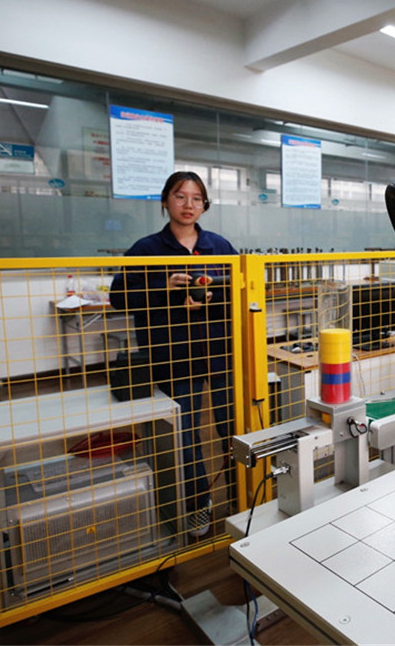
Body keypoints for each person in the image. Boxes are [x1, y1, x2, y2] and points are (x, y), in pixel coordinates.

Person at [110, 172, 236, 537]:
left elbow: (241, 290)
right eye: (180, 197)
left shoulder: (219, 246)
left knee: (232, 427)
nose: (188, 205)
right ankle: (198, 504)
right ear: (165, 201)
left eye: (196, 198)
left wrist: (214, 295)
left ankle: (241, 494)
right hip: (173, 357)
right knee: (186, 434)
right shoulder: (146, 250)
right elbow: (119, 298)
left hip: (220, 354)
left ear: (204, 205)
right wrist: (163, 288)